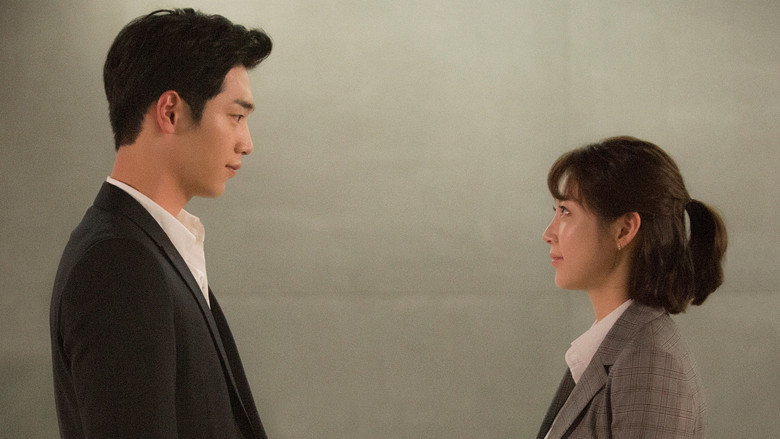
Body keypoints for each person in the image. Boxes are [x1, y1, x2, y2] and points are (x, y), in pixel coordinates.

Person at [50, 9, 272, 438]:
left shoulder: (145, 249)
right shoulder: (118, 264)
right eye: (236, 116)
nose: (247, 143)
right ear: (170, 111)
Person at [536, 136, 727, 438]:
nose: (548, 233)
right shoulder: (621, 349)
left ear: (624, 229)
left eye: (566, 211)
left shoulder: (650, 363)